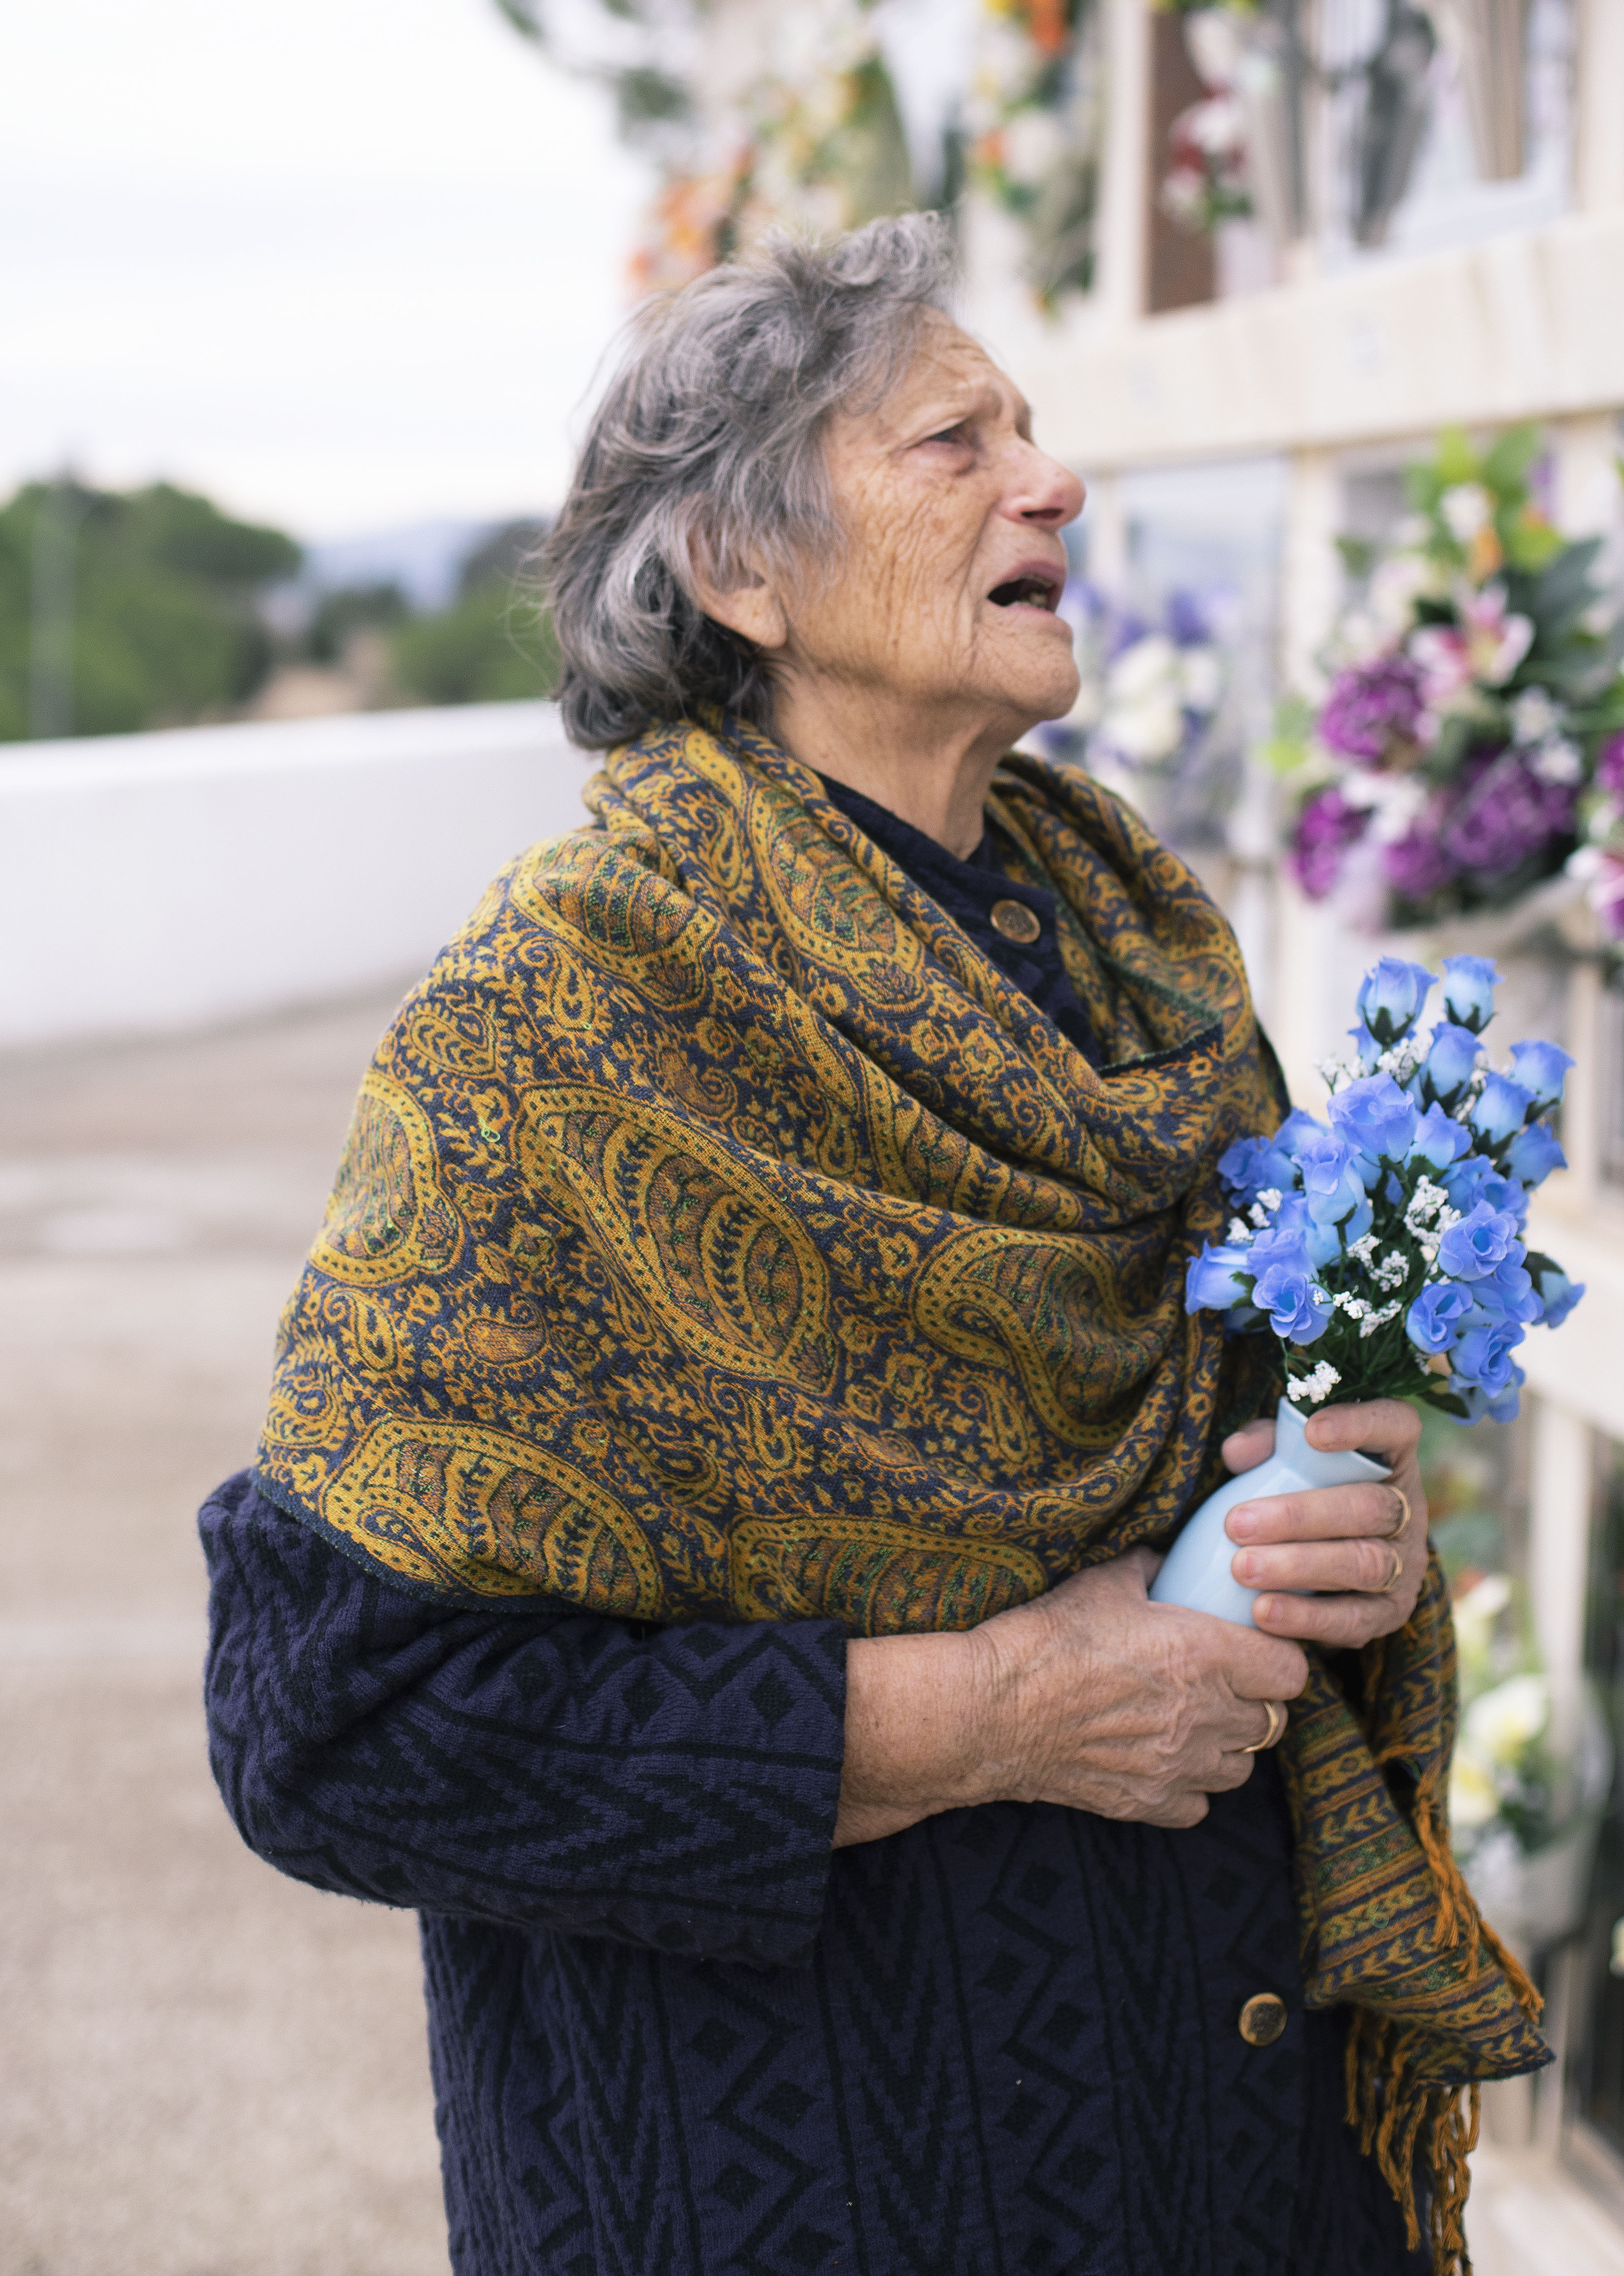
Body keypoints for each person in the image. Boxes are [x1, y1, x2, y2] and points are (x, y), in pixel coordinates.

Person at [202, 215, 1543, 2276]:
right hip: (798, 2182)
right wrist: (994, 1709)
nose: (1053, 479)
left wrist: (1340, 1544)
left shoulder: (1140, 958)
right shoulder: (560, 1022)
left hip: (1228, 2156)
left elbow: (1234, 1459)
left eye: (1035, 428)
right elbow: (333, 1726)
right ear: (738, 573)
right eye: (953, 442)